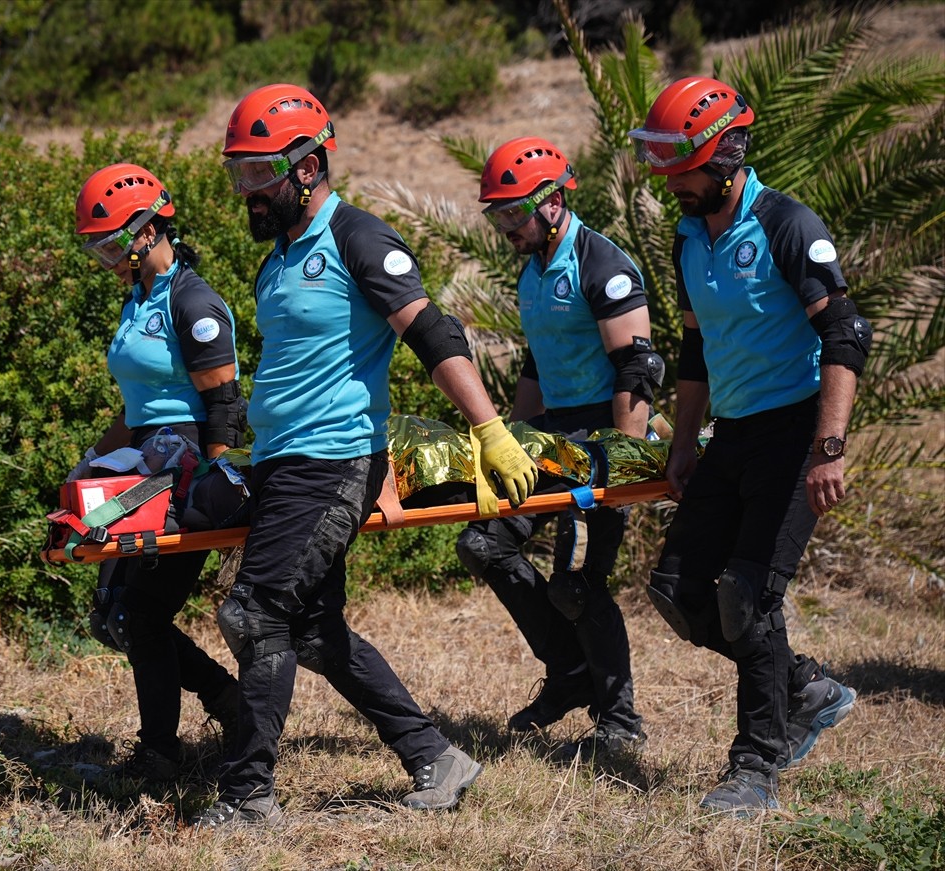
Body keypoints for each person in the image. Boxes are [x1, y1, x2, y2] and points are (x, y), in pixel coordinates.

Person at [190, 83, 540, 829]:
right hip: (284, 462)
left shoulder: (359, 238)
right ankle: (435, 756)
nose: (246, 191)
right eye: (238, 175)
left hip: (329, 460)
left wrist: (488, 429)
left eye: (259, 175)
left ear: (309, 165)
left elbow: (433, 333)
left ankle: (248, 795)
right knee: (313, 631)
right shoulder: (279, 258)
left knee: (254, 614)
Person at [628, 76, 866, 815]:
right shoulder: (688, 236)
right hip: (730, 431)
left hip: (796, 434)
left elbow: (845, 333)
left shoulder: (788, 225)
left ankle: (755, 767)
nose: (671, 184)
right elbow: (695, 349)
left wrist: (830, 446)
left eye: (682, 169)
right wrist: (683, 442)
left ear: (726, 156)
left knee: (748, 596)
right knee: (678, 591)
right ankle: (804, 686)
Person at [454, 137, 659, 760]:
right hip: (550, 435)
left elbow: (637, 370)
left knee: (575, 581)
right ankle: (569, 672)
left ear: (551, 203)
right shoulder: (533, 270)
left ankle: (619, 718)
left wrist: (624, 461)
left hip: (603, 436)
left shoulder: (603, 267)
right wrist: (506, 443)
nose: (504, 228)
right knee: (482, 541)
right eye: (497, 216)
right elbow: (536, 364)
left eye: (513, 214)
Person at [69, 162, 245, 782]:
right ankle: (225, 698)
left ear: (148, 231)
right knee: (112, 613)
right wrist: (87, 463)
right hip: (146, 456)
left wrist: (216, 483)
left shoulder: (192, 300)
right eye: (99, 251)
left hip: (186, 465)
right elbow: (139, 408)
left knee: (139, 614)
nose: (110, 259)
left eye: (115, 245)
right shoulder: (138, 299)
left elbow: (224, 404)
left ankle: (161, 752)